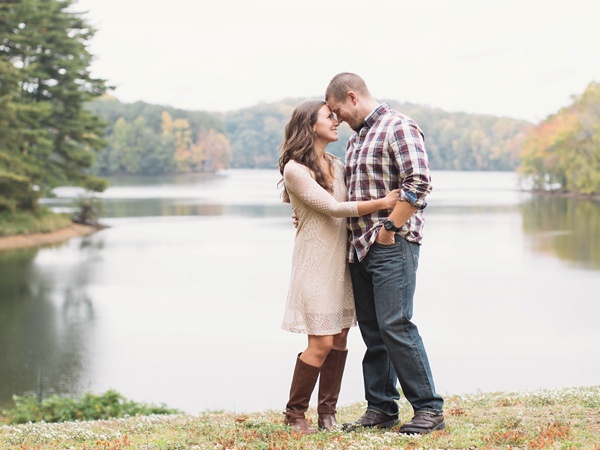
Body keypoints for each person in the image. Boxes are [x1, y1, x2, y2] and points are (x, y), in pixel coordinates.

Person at [324, 72, 445, 435]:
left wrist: (390, 230)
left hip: (393, 243)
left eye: (337, 111)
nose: (337, 119)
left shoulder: (398, 126)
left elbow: (419, 183)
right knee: (374, 332)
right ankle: (381, 408)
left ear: (351, 97)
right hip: (359, 248)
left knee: (396, 324)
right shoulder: (356, 140)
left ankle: (428, 408)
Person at [278, 100, 400, 434]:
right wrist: (385, 202)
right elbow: (333, 207)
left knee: (342, 339)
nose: (336, 122)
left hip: (343, 263)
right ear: (309, 125)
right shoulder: (294, 169)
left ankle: (327, 412)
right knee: (321, 343)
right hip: (315, 266)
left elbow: (344, 202)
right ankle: (295, 414)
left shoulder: (337, 164)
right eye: (329, 117)